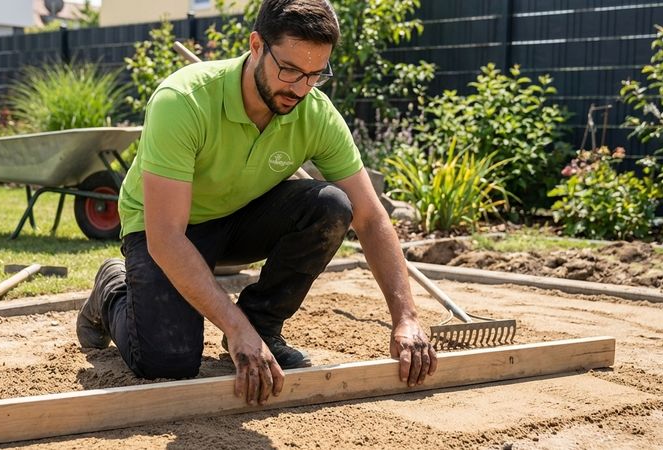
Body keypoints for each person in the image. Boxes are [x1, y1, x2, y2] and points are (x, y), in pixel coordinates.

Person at [77, 0, 437, 406]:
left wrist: (406, 318)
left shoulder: (314, 113)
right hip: (165, 229)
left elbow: (371, 218)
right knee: (167, 363)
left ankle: (262, 326)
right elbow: (165, 237)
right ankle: (112, 289)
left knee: (333, 205)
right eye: (290, 71)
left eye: (315, 74)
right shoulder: (183, 101)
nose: (301, 88)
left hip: (239, 219)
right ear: (256, 46)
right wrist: (233, 328)